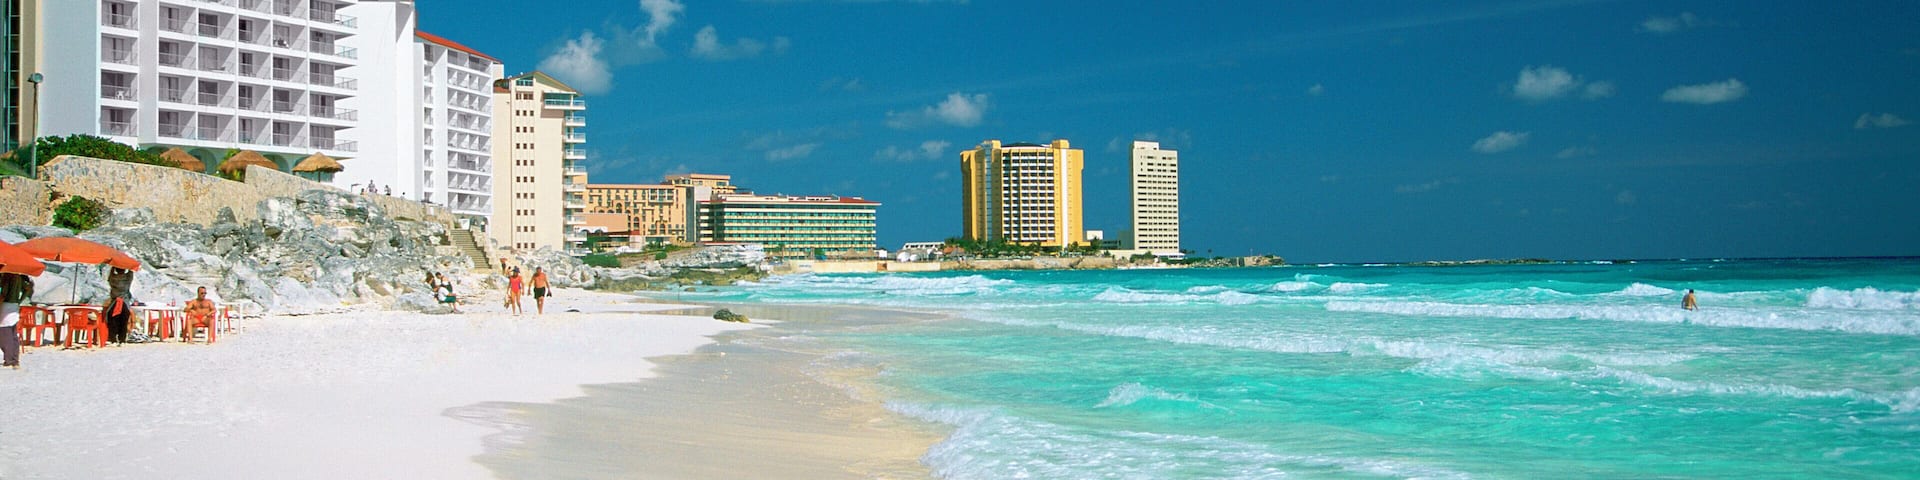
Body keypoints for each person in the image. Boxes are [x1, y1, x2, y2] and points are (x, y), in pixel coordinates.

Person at [1, 273, 33, 368]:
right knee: (13, 334)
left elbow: (4, 294)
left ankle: (9, 359)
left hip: (6, 306)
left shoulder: (7, 277)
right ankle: (15, 359)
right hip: (15, 305)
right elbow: (28, 289)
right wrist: (20, 300)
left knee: (4, 334)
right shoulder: (20, 277)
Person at [105, 267, 134, 343]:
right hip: (124, 303)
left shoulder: (113, 279)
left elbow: (110, 276)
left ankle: (113, 338)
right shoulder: (127, 280)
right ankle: (122, 338)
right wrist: (129, 266)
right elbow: (131, 274)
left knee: (112, 321)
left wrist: (113, 267)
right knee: (124, 322)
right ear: (124, 270)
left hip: (114, 303)